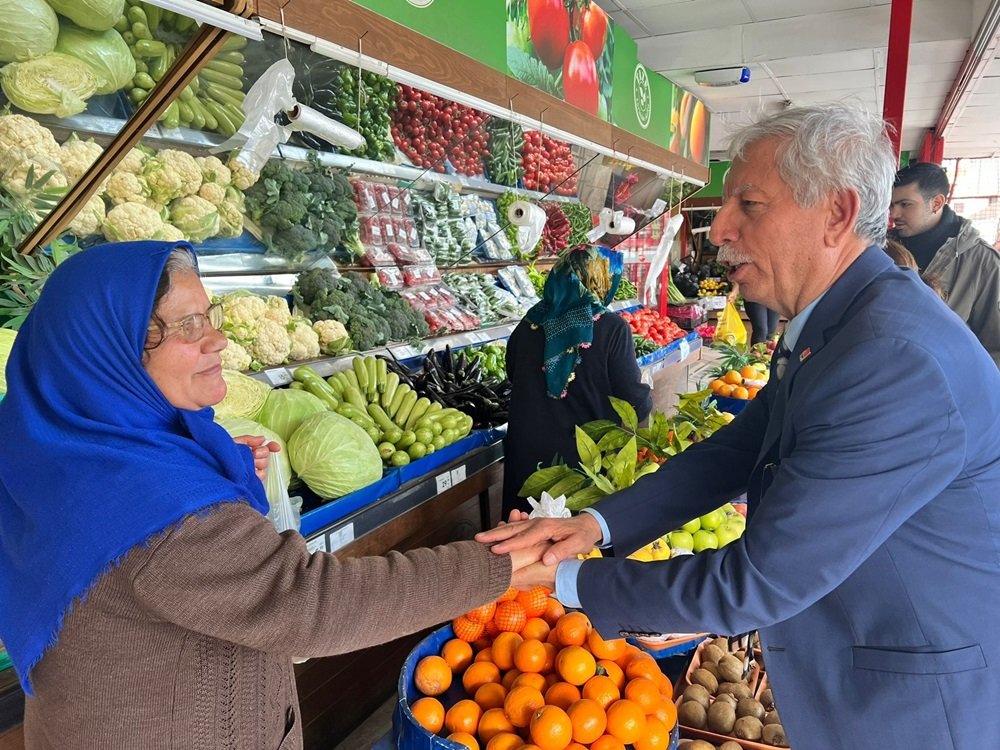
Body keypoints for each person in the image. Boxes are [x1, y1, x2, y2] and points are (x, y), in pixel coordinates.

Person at [480, 104, 1000, 750]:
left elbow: (760, 579)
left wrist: (562, 580)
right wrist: (597, 526)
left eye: (749, 205)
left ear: (836, 214)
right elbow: (740, 447)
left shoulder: (893, 358)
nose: (720, 228)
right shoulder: (838, 320)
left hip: (917, 711)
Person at [0, 241, 544, 750]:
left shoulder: (60, 453)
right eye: (187, 326)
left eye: (208, 316)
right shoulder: (154, 507)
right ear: (108, 350)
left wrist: (213, 466)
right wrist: (501, 567)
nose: (217, 340)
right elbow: (311, 603)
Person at [502, 244, 652, 518]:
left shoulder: (528, 323)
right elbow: (633, 401)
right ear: (601, 280)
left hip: (526, 458)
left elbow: (513, 375)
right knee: (573, 539)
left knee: (522, 531)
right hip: (580, 463)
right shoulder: (612, 328)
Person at [889, 161, 1000, 365]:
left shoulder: (982, 261)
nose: (894, 214)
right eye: (891, 205)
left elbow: (995, 345)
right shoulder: (883, 248)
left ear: (937, 203)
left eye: (905, 204)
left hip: (949, 378)